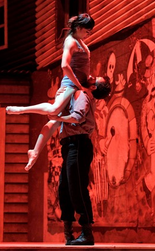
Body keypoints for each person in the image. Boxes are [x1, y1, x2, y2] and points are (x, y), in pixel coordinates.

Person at [6, 13, 94, 171]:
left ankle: (35, 151)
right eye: (87, 31)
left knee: (55, 121)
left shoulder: (80, 41)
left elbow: (81, 65)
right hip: (71, 84)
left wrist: (86, 78)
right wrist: (79, 85)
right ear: (79, 28)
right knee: (54, 111)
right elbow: (65, 66)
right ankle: (21, 110)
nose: (89, 34)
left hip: (78, 83)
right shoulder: (71, 41)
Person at [48, 75, 111, 245]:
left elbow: (77, 117)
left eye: (94, 79)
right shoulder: (78, 93)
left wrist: (57, 118)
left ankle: (86, 232)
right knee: (65, 189)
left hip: (78, 145)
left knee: (77, 188)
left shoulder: (83, 95)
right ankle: (68, 232)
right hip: (70, 146)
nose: (89, 76)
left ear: (94, 87)